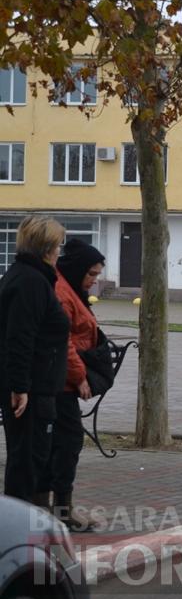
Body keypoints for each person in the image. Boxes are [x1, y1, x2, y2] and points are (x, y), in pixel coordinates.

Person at [0, 216, 70, 504]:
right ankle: (18, 530)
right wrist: (20, 387)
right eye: (58, 246)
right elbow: (20, 337)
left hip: (37, 385)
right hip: (31, 388)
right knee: (27, 460)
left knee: (32, 458)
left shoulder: (27, 277)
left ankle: (32, 525)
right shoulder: (30, 282)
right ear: (47, 248)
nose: (59, 252)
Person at [43, 239, 105, 531]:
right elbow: (62, 340)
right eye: (91, 274)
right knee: (66, 443)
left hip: (61, 380)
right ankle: (61, 511)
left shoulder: (70, 291)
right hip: (61, 383)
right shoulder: (62, 293)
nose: (94, 281)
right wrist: (79, 375)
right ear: (78, 269)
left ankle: (56, 508)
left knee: (62, 443)